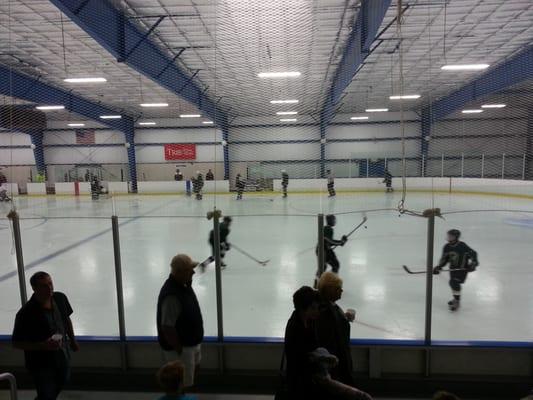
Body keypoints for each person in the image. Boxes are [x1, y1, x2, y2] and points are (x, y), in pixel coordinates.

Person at [12, 271, 80, 400]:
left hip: (62, 355)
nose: (49, 288)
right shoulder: (26, 313)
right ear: (34, 288)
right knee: (47, 393)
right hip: (41, 364)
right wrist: (42, 345)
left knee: (63, 380)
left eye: (50, 283)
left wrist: (73, 340)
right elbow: (16, 342)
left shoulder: (60, 298)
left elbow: (66, 319)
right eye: (44, 285)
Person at [157, 254, 204, 388]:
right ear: (179, 273)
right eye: (190, 270)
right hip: (183, 349)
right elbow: (167, 327)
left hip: (191, 344)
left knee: (191, 377)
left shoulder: (183, 286)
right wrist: (180, 350)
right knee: (183, 383)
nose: (193, 272)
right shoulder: (171, 296)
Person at [316, 272, 356, 387]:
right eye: (338, 288)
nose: (341, 291)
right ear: (329, 290)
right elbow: (330, 340)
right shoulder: (325, 312)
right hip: (336, 368)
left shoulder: (330, 306)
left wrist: (344, 317)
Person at [284, 286, 321, 399]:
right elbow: (296, 358)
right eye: (313, 308)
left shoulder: (309, 321)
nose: (317, 311)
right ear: (303, 309)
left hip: (308, 378)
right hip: (298, 381)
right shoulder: (294, 327)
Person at [433, 229, 479, 311]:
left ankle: (457, 301)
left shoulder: (462, 246)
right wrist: (439, 267)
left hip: (462, 269)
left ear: (456, 237)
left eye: (451, 236)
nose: (449, 237)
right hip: (453, 269)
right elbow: (444, 258)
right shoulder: (446, 247)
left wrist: (473, 264)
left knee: (453, 282)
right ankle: (455, 298)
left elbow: (473, 254)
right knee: (453, 284)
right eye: (448, 235)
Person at [315, 215, 347, 286]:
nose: (335, 221)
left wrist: (341, 242)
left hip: (324, 250)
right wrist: (340, 242)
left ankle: (319, 282)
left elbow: (328, 242)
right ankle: (330, 283)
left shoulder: (327, 228)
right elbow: (329, 241)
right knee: (333, 265)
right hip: (323, 251)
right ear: (330, 221)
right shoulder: (328, 229)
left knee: (325, 266)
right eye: (334, 220)